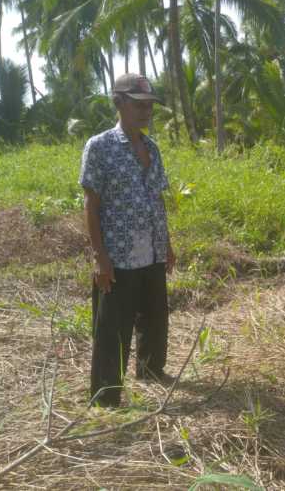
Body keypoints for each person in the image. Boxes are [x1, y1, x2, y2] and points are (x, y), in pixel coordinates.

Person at [79, 73, 175, 408]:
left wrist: (167, 244)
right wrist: (100, 258)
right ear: (119, 103)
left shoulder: (152, 148)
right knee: (113, 328)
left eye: (150, 105)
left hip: (151, 250)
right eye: (139, 104)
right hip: (118, 255)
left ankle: (151, 370)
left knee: (154, 316)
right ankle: (106, 396)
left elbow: (157, 200)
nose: (146, 111)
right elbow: (92, 205)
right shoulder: (100, 146)